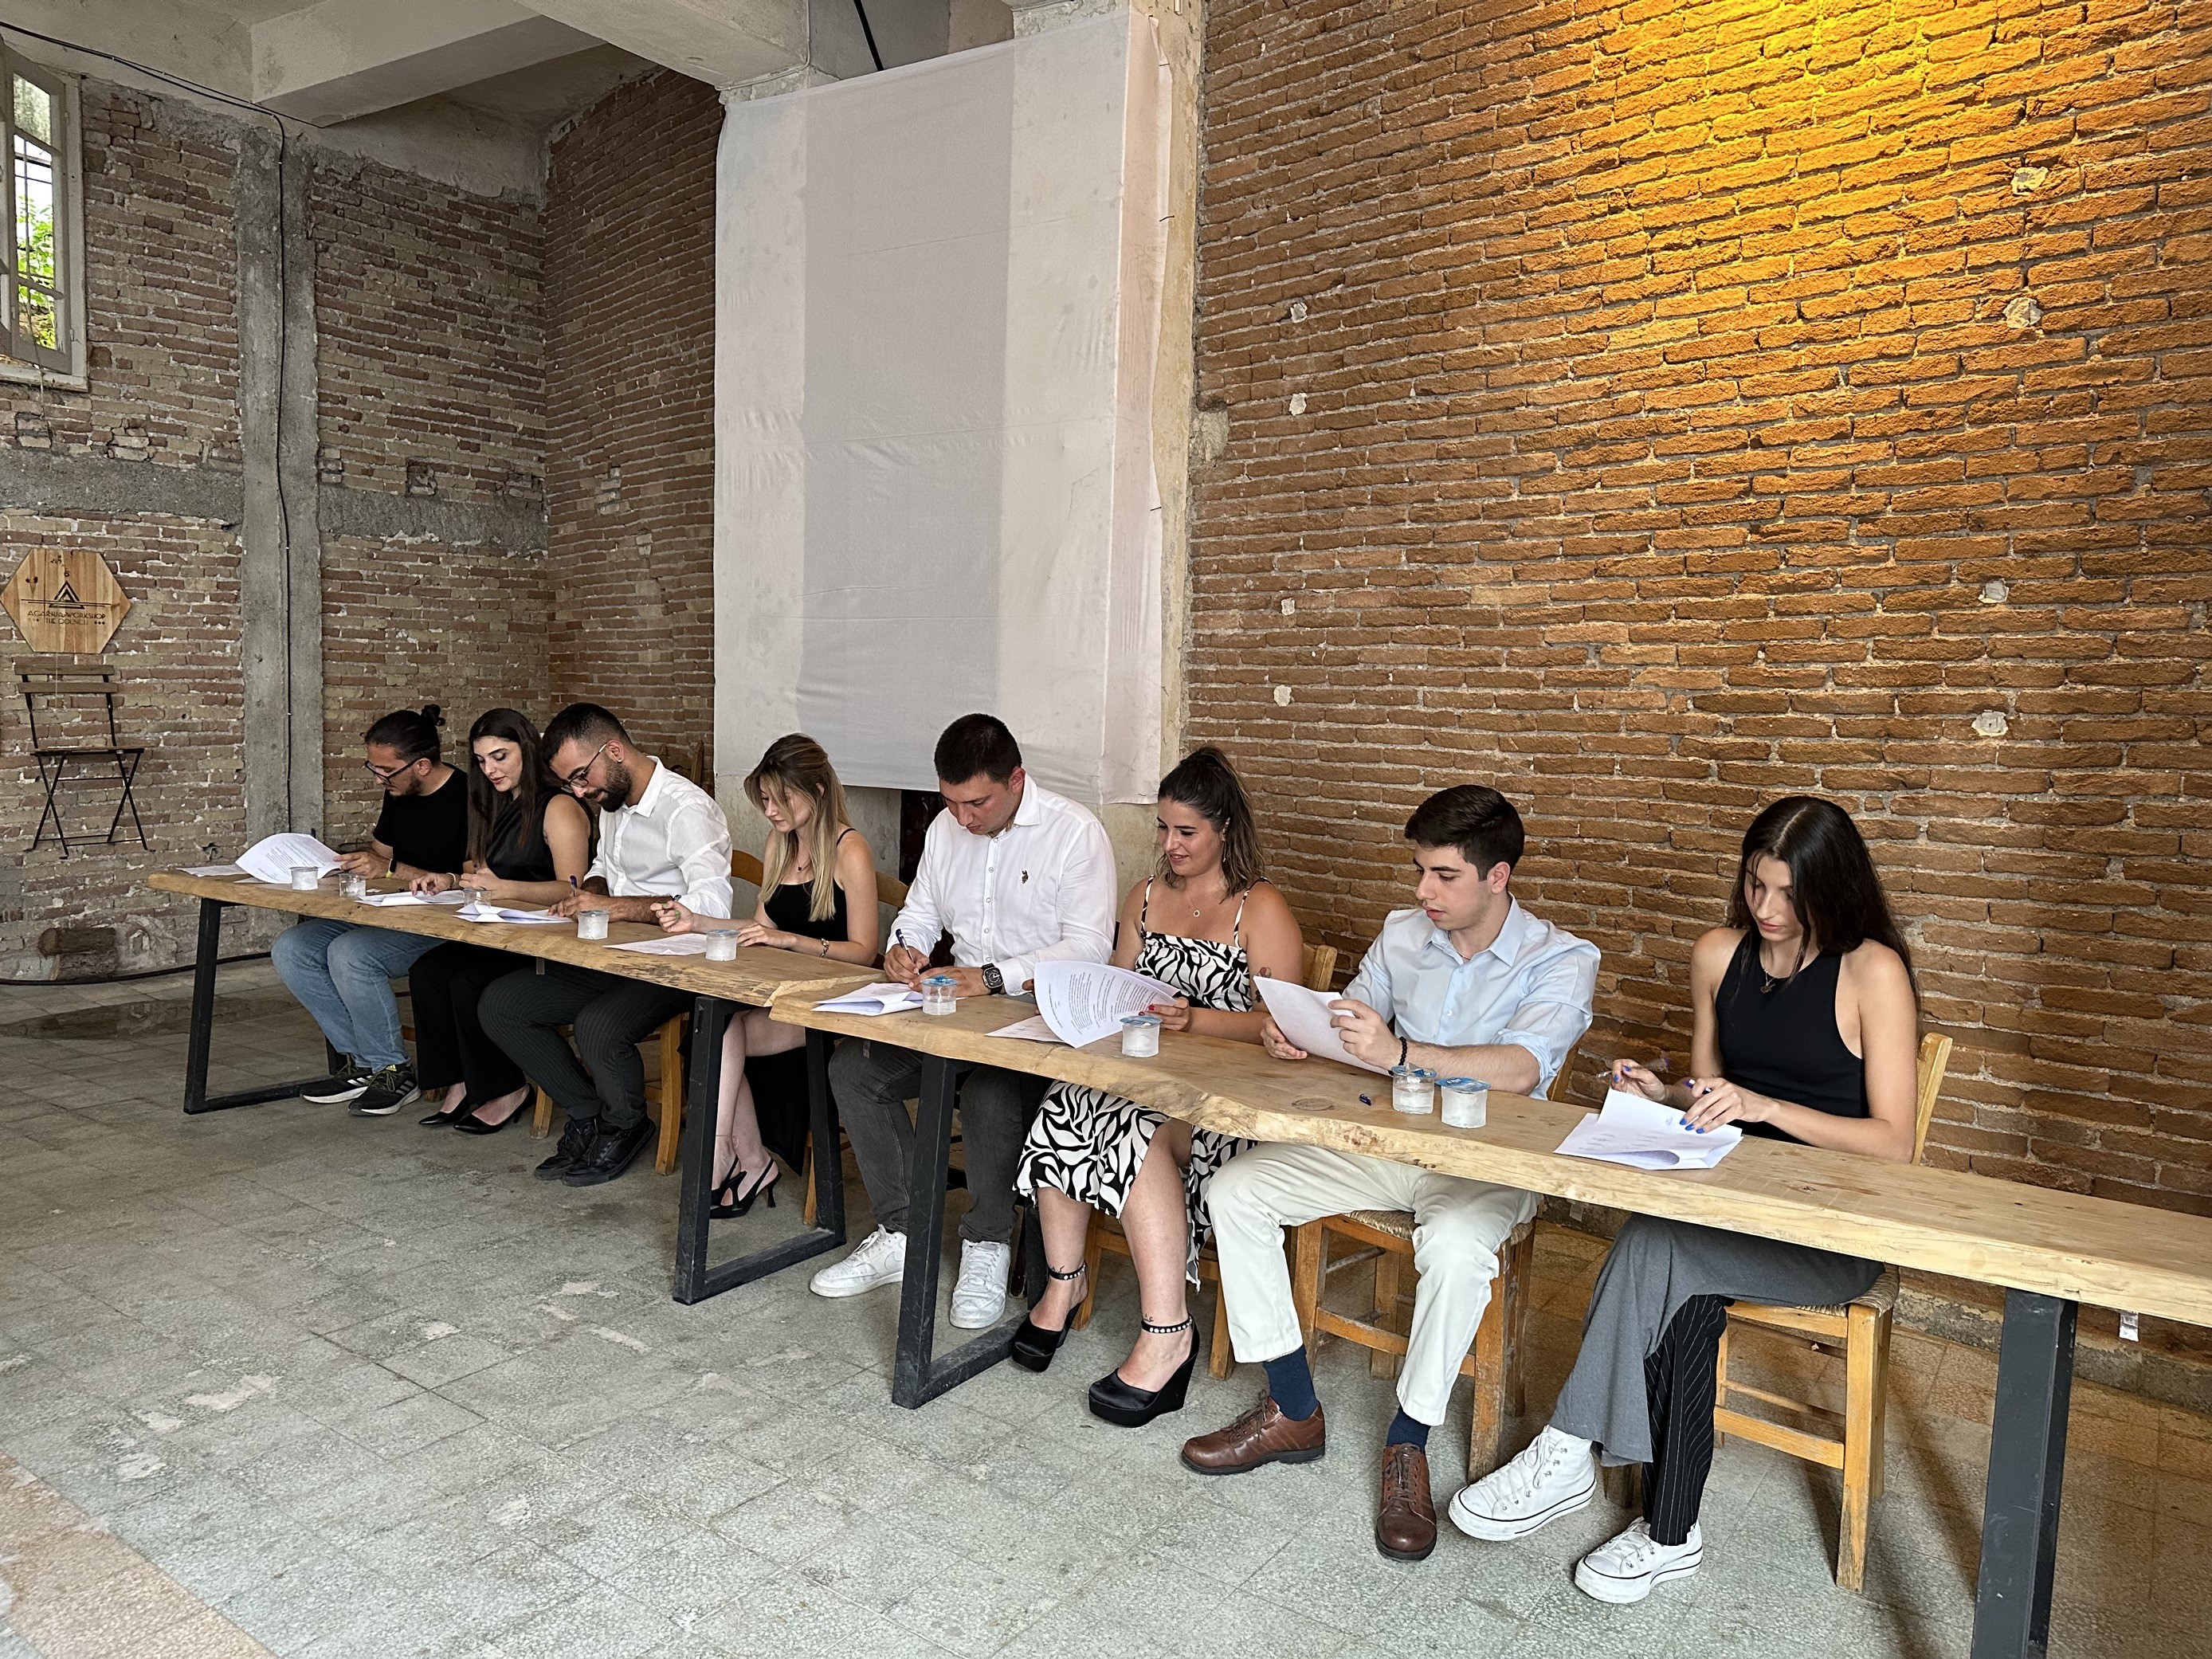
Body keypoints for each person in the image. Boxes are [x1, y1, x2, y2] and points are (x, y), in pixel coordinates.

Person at [1450, 797, 1920, 1604]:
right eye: (1756, 885)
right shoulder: (1718, 954)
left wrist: (1767, 1107)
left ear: (1832, 889)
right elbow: (1708, 1099)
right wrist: (1663, 1093)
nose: (1766, 908)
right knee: (1680, 1281)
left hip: (1829, 1232)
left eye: (1788, 893)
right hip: (1724, 1208)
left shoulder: (1870, 970)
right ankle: (1669, 1532)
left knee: (1655, 1247)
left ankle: (1567, 1449)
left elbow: (1894, 1143)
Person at [1180, 785, 1598, 1567]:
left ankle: (1408, 1443)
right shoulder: (1403, 933)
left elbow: (1521, 1068)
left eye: (1444, 875)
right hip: (1378, 1146)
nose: (1423, 891)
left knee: (1458, 1249)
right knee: (1234, 1189)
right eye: (1419, 871)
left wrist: (1401, 1053)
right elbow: (1350, 1019)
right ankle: (1293, 1408)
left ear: (1497, 876)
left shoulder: (1563, 959)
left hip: (1484, 1166)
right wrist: (1300, 1033)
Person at [1011, 747, 1303, 1426]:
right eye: (1164, 829)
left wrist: (1195, 1019)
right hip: (1145, 1079)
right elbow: (1116, 987)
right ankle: (1063, 1282)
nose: (1170, 845)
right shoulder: (1143, 896)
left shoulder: (1259, 908)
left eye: (1186, 832)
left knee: (1131, 1130)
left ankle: (1168, 1333)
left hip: (1223, 1107)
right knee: (1068, 1099)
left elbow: (1285, 1025)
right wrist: (1068, 997)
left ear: (1224, 829)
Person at [809, 714, 1116, 1329]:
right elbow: (921, 910)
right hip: (956, 1010)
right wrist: (905, 947)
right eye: (950, 803)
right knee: (854, 1069)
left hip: (1040, 1020)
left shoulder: (1074, 833)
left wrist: (994, 977)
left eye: (977, 803)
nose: (963, 818)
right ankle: (902, 1232)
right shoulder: (946, 829)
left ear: (1016, 780)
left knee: (989, 1095)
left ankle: (987, 1243)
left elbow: (1090, 949)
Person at [479, 704, 734, 1187]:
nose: (579, 792)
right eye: (570, 784)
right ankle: (587, 1114)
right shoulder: (613, 801)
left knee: (598, 1026)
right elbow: (603, 868)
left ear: (614, 751)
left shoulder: (686, 808)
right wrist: (590, 893)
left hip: (675, 965)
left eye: (581, 777)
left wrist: (619, 907)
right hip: (611, 955)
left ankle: (626, 1124)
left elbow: (712, 907)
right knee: (502, 1004)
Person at [654, 734, 880, 1215]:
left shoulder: (851, 849)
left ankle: (726, 1155)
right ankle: (745, 1158)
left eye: (781, 799)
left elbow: (865, 953)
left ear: (817, 791)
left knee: (715, 1033)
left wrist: (793, 942)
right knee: (712, 1025)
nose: (771, 811)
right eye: (764, 800)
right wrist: (697, 922)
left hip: (837, 998)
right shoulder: (780, 841)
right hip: (782, 990)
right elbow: (761, 928)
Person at [276, 706, 469, 1119]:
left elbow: (473, 881)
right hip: (390, 909)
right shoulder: (399, 791)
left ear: (421, 766)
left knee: (352, 954)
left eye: (386, 771)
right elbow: (380, 855)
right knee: (293, 948)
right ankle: (362, 1063)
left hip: (446, 919)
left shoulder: (470, 798)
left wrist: (391, 869)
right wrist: (347, 864)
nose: (379, 778)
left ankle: (393, 1069)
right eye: (374, 768)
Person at [405, 709, 592, 1134]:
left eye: (500, 756)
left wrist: (507, 889)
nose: (489, 769)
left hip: (547, 937)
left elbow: (574, 889)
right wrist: (451, 879)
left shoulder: (559, 806)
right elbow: (483, 874)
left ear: (527, 749)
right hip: (502, 930)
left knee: (466, 981)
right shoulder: (496, 803)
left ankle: (507, 1088)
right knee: (427, 971)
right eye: (481, 761)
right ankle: (460, 1080)